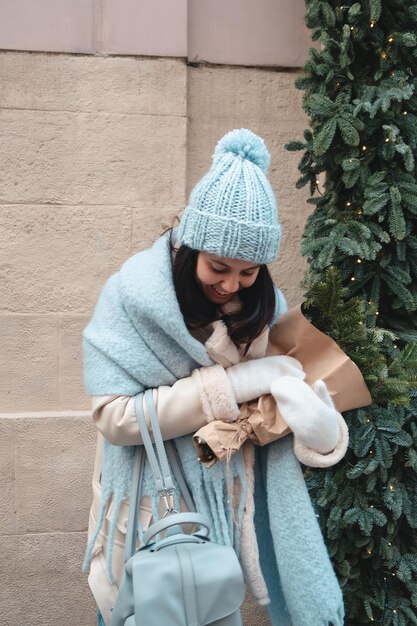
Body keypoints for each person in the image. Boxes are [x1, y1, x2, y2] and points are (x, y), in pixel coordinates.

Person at [82, 129, 346, 626]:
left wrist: (322, 430)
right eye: (219, 267)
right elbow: (114, 418)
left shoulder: (268, 315)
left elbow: (278, 424)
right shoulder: (131, 301)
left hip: (223, 515)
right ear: (190, 249)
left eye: (249, 273)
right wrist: (235, 385)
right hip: (151, 514)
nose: (231, 285)